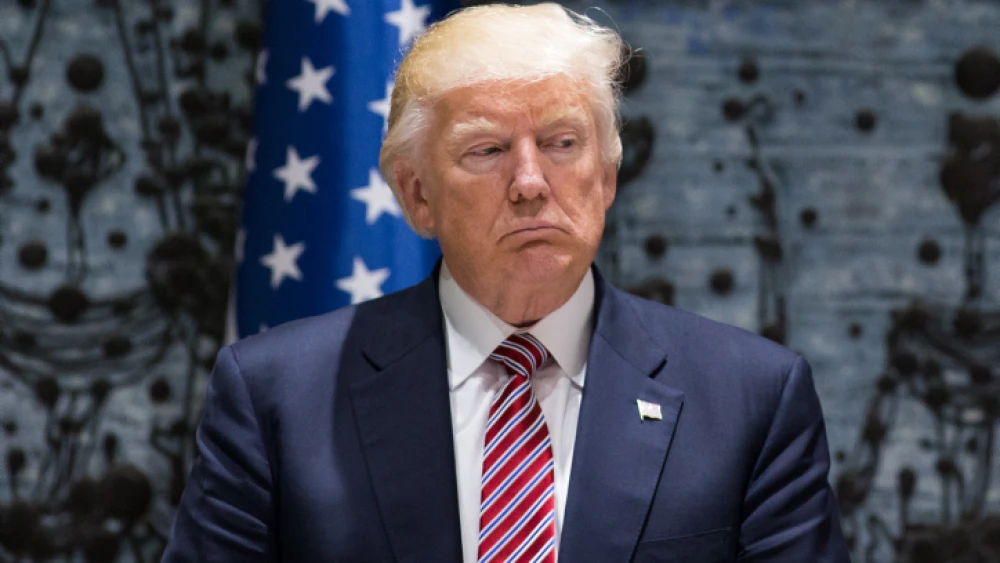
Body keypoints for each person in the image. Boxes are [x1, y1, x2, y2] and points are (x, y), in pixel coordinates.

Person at [162, 4, 851, 562]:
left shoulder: (751, 398)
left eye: (562, 144)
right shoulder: (276, 396)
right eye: (487, 150)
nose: (529, 183)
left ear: (606, 175)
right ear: (417, 195)